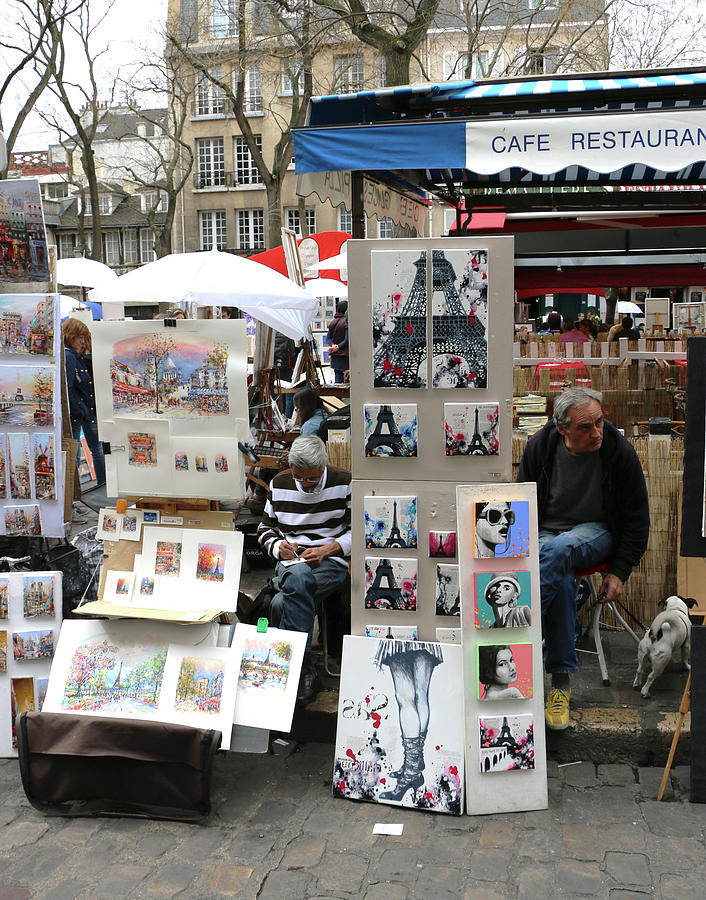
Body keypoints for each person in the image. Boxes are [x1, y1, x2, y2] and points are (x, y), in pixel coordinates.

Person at [517, 386, 649, 730]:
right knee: (559, 570)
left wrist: (619, 572)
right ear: (562, 429)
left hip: (597, 533)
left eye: (600, 422)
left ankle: (519, 626)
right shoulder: (539, 448)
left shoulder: (619, 452)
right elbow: (519, 505)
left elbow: (637, 520)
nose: (597, 433)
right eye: (585, 428)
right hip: (546, 535)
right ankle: (560, 684)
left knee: (559, 551)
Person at [257, 435, 351, 703]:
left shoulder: (344, 481)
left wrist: (328, 550)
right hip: (291, 562)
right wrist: (278, 547)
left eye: (312, 479)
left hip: (330, 562)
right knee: (297, 577)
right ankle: (304, 668)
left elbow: (361, 530)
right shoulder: (279, 484)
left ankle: (292, 669)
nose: (305, 484)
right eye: (300, 478)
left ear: (323, 467)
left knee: (279, 603)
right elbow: (264, 529)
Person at [375, 638, 444, 802]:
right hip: (427, 631)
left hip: (400, 631)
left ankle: (412, 769)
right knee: (421, 695)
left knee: (405, 699)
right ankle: (414, 762)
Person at [62, 318, 106, 489]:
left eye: (84, 337)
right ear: (70, 335)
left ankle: (98, 489)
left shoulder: (75, 356)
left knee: (94, 449)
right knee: (80, 451)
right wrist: (79, 410)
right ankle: (78, 495)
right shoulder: (70, 356)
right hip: (80, 413)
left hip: (85, 411)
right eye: (79, 337)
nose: (82, 341)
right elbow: (68, 388)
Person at [327, 301, 349, 384]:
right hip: (345, 356)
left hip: (335, 356)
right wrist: (338, 347)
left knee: (338, 381)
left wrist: (333, 346)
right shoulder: (346, 322)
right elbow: (347, 339)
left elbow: (328, 338)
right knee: (347, 380)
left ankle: (338, 397)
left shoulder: (333, 322)